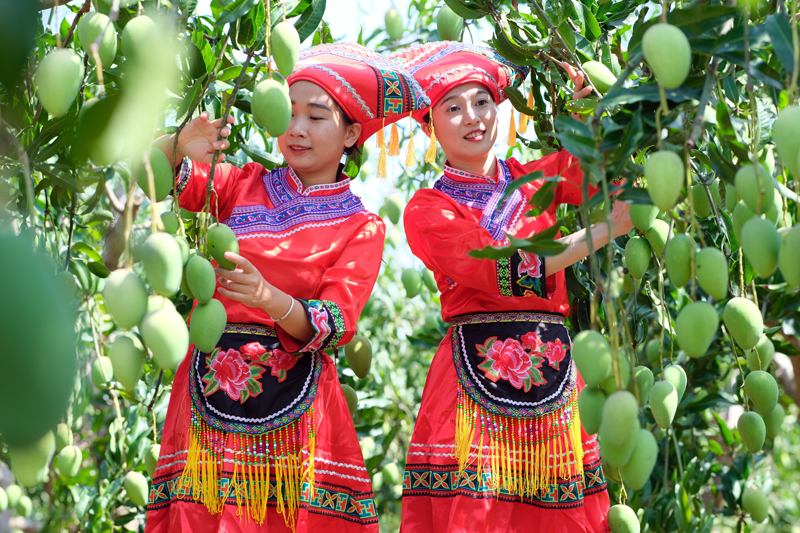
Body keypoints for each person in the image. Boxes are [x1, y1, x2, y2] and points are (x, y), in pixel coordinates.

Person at [144, 43, 429, 533]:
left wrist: (267, 298)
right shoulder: (241, 185)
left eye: (315, 117)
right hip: (209, 391)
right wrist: (176, 143)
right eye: (290, 114)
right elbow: (154, 177)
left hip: (298, 410)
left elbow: (335, 324)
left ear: (352, 134)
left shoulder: (361, 227)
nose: (295, 129)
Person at [390, 42, 633, 532]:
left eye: (481, 102)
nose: (472, 117)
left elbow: (609, 172)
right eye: (452, 108)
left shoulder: (533, 178)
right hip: (470, 383)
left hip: (554, 372)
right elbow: (502, 267)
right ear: (430, 126)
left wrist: (593, 110)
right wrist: (604, 230)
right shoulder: (427, 210)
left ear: (498, 108)